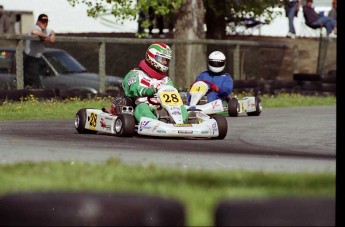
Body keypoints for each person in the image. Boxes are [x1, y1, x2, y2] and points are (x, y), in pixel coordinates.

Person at [122, 42, 188, 123]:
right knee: (142, 108)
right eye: (162, 59)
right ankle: (155, 123)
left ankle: (183, 122)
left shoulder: (165, 79)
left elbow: (172, 92)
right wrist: (148, 91)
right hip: (144, 105)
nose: (165, 63)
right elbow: (132, 89)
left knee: (180, 107)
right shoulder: (136, 74)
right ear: (152, 57)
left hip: (164, 107)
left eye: (167, 60)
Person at [24, 13, 55, 88]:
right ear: (38, 22)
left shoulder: (45, 30)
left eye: (46, 21)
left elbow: (52, 37)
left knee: (31, 82)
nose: (45, 23)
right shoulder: (36, 27)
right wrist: (45, 37)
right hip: (30, 58)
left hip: (38, 59)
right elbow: (34, 32)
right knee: (35, 83)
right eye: (42, 21)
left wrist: (51, 35)